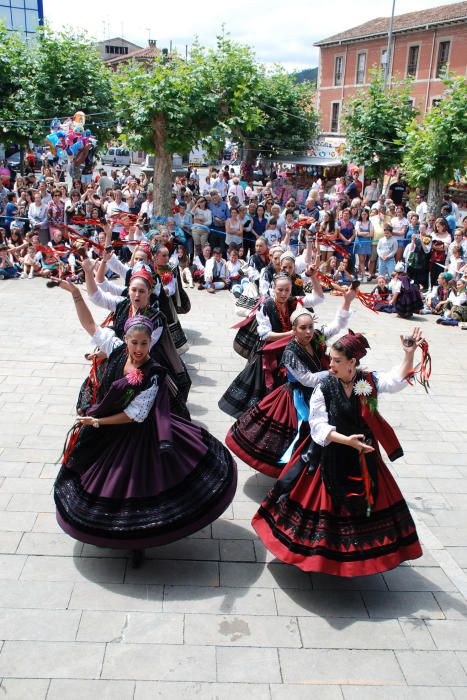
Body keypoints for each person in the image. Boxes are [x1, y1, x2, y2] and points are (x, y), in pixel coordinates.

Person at [52, 281, 237, 567]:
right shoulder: (115, 350)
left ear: (151, 342)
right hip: (110, 428)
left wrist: (97, 421)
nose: (138, 348)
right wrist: (76, 294)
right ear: (124, 340)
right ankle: (125, 537)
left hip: (139, 433)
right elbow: (91, 325)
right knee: (109, 484)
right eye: (134, 342)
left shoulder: (153, 374)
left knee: (138, 487)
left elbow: (134, 415)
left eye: (144, 343)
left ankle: (138, 543)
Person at [252, 328, 424, 576]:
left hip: (363, 457)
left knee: (365, 503)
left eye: (337, 360)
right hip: (329, 452)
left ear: (353, 362)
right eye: (331, 359)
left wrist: (408, 355)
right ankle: (318, 558)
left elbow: (396, 380)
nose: (330, 364)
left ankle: (356, 561)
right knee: (320, 503)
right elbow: (318, 426)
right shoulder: (325, 386)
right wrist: (346, 440)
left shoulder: (368, 382)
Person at [226, 289, 356, 478]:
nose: (309, 331)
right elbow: (307, 380)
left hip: (319, 391)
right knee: (303, 432)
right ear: (293, 330)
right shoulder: (290, 352)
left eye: (311, 326)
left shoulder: (316, 337)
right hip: (299, 397)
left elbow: (337, 325)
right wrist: (332, 372)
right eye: (303, 328)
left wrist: (346, 302)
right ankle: (298, 471)